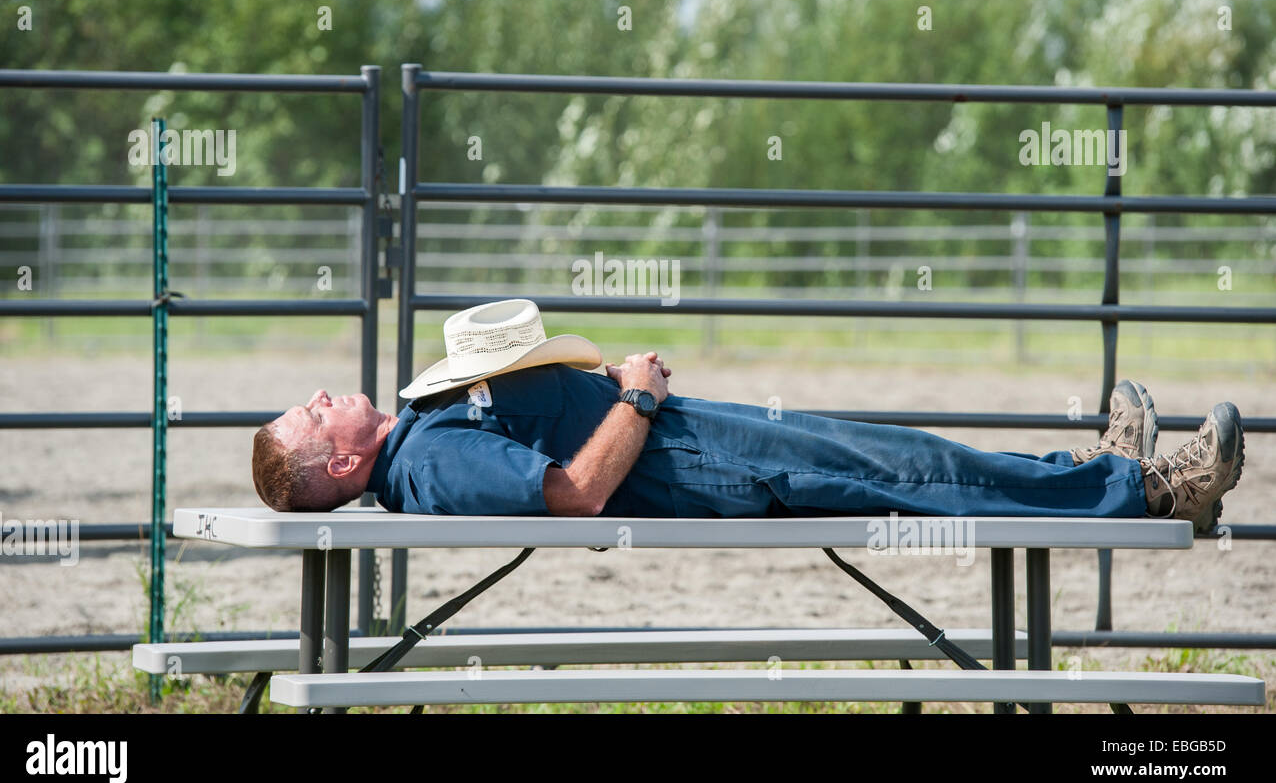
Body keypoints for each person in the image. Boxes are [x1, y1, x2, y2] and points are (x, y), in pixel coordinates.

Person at [252, 299, 1244, 535]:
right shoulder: (425, 470)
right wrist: (637, 395)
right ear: (340, 468)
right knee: (906, 472)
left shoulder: (416, 436)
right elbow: (575, 494)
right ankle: (1153, 491)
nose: (323, 396)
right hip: (694, 461)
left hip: (694, 442)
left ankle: (1092, 473)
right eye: (313, 416)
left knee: (905, 458)